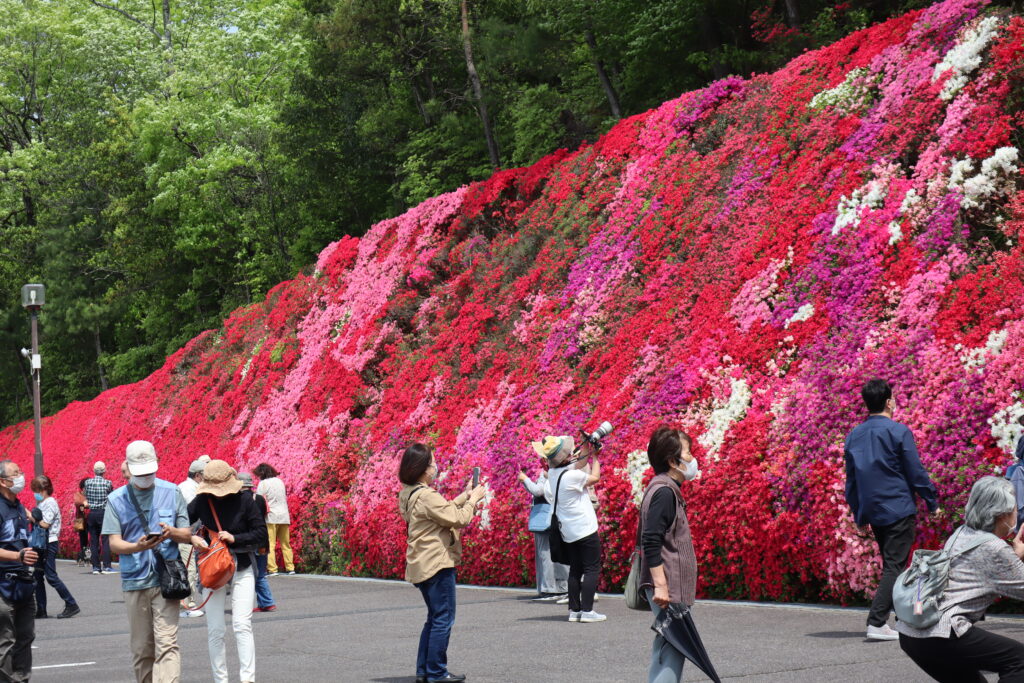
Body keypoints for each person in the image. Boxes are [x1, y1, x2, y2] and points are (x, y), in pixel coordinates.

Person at [897, 476, 1024, 681]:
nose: (1017, 514)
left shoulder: (962, 533)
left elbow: (986, 569)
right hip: (940, 634)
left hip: (912, 633)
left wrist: (1014, 557)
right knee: (1019, 660)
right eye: (1015, 509)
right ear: (1002, 515)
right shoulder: (994, 548)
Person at [103, 440, 207, 683]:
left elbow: (186, 533)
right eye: (141, 472)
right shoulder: (116, 499)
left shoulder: (171, 492)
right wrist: (137, 546)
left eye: (150, 471)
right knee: (142, 649)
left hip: (166, 578)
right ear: (128, 467)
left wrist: (171, 532)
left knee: (167, 643)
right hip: (134, 580)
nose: (146, 477)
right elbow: (114, 543)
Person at [844, 378, 939, 641]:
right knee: (895, 566)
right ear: (889, 401)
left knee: (892, 564)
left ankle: (902, 620)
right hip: (897, 506)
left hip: (874, 511)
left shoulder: (854, 435)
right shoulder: (898, 432)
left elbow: (851, 480)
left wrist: (858, 513)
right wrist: (932, 501)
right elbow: (915, 471)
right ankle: (876, 623)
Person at [398, 443, 485, 683]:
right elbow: (457, 518)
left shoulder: (409, 493)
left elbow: (442, 510)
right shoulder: (427, 495)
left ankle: (425, 670)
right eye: (432, 463)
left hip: (421, 563)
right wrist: (474, 500)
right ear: (423, 469)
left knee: (434, 617)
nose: (436, 467)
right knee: (443, 619)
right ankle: (437, 672)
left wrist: (465, 495)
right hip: (437, 563)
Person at [189, 460, 267, 683]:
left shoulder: (244, 499)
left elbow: (261, 533)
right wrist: (192, 537)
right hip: (213, 568)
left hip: (241, 565)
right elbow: (182, 519)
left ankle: (247, 680)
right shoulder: (202, 500)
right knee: (215, 629)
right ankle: (220, 680)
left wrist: (236, 538)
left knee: (241, 625)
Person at [639, 427, 700, 683]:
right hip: (668, 586)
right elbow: (651, 540)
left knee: (668, 644)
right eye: (687, 452)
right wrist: (661, 585)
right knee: (675, 647)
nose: (692, 459)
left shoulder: (662, 488)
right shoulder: (664, 492)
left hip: (669, 585)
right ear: (673, 461)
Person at [538, 434, 605, 623]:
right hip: (584, 527)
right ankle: (588, 611)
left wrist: (588, 448)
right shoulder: (572, 476)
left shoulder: (554, 473)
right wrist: (597, 457)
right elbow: (595, 477)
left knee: (576, 569)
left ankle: (574, 611)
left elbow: (578, 462)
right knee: (592, 568)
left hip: (568, 531)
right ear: (566, 457)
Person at [0, 460, 39, 681]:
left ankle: (21, 679)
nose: (21, 476)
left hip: (24, 581)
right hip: (2, 583)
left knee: (25, 637)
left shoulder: (18, 506)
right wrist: (18, 556)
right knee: (5, 641)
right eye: (16, 473)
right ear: (3, 481)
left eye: (21, 472)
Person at [517, 460, 568, 602]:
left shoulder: (548, 472)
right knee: (556, 552)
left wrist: (524, 479)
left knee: (545, 553)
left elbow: (538, 491)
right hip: (558, 515)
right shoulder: (563, 470)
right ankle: (560, 587)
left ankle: (550, 588)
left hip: (545, 516)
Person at [30, 475, 80, 619]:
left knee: (51, 576)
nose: (35, 493)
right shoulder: (43, 503)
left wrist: (30, 516)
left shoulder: (50, 502)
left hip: (49, 542)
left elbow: (45, 524)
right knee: (37, 575)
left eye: (36, 490)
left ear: (43, 490)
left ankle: (71, 604)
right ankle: (41, 609)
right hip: (41, 543)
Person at [238, 472, 275, 613]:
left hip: (250, 540)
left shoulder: (241, 499)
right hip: (263, 540)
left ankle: (267, 602)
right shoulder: (259, 498)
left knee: (252, 574)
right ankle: (265, 602)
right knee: (260, 573)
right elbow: (265, 514)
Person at [177, 459, 206, 617]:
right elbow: (189, 515)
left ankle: (188, 602)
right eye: (204, 475)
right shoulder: (189, 489)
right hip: (187, 536)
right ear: (197, 475)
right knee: (189, 569)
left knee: (190, 569)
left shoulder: (188, 486)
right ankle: (187, 604)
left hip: (190, 535)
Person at [253, 464, 293, 575]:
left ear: (262, 473)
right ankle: (290, 567)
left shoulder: (263, 483)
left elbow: (259, 500)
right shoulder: (280, 482)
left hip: (271, 516)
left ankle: (272, 569)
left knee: (270, 544)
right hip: (284, 516)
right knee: (286, 544)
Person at [84, 460, 115, 574]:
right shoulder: (108, 483)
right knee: (105, 539)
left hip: (92, 513)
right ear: (104, 471)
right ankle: (107, 566)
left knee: (94, 540)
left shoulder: (88, 483)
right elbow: (111, 497)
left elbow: (86, 495)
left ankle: (96, 567)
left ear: (94, 471)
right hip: (103, 513)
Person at [74, 478, 90, 566]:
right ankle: (83, 557)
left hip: (89, 519)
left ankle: (88, 557)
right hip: (80, 519)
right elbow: (78, 503)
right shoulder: (78, 494)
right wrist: (85, 503)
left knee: (90, 539)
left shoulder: (90, 494)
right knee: (82, 538)